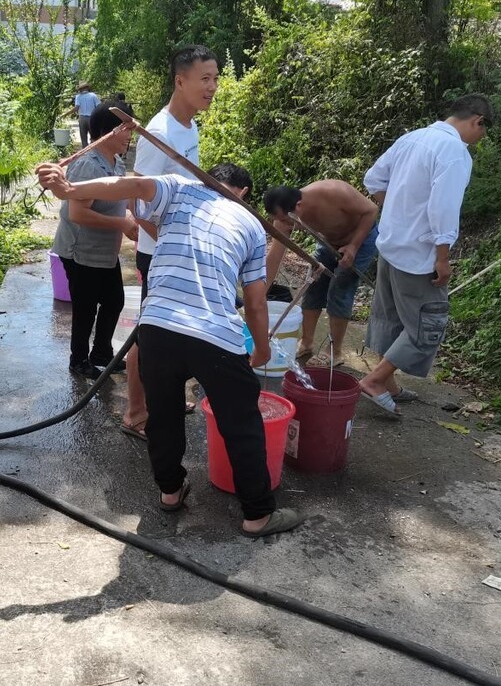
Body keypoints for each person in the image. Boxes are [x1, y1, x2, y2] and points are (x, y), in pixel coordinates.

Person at [37, 160, 302, 538]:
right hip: (216, 335)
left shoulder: (179, 188)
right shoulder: (251, 227)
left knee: (163, 416)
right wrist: (260, 349)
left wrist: (70, 191)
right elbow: (256, 303)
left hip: (158, 328)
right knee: (241, 424)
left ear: (206, 179)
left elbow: (132, 184)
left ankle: (170, 493)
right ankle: (258, 515)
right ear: (243, 193)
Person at [358, 94, 493, 414]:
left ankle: (387, 382)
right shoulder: (455, 152)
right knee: (427, 325)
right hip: (419, 255)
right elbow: (443, 208)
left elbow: (373, 179)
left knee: (390, 317)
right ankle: (375, 381)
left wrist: (397, 212)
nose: (480, 139)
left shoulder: (413, 138)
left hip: (390, 244)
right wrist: (442, 258)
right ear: (478, 121)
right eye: (483, 132)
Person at [123, 44, 220, 440]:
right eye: (205, 79)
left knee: (174, 329)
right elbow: (137, 200)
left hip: (179, 247)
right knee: (147, 335)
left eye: (215, 78)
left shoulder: (190, 124)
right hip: (158, 253)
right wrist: (168, 244)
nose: (212, 87)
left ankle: (168, 395)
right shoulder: (158, 133)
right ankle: (135, 411)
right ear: (180, 81)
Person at [51, 101, 139, 378]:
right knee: (86, 307)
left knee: (114, 300)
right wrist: (122, 224)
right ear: (105, 132)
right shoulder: (88, 166)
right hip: (81, 250)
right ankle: (78, 360)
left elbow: (118, 200)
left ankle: (101, 353)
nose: (130, 135)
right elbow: (77, 213)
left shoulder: (117, 163)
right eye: (125, 129)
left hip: (104, 252)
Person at [262, 181, 379, 367]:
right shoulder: (284, 217)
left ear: (298, 207)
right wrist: (258, 296)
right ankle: (306, 342)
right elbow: (274, 258)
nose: (284, 224)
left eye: (286, 220)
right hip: (327, 241)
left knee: (340, 288)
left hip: (360, 240)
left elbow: (371, 210)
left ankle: (334, 351)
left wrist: (354, 246)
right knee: (313, 284)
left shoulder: (334, 192)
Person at [71, 82, 101, 147]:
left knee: (84, 138)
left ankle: (85, 153)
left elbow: (76, 108)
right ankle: (94, 152)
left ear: (80, 89)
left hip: (82, 119)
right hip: (92, 118)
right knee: (94, 137)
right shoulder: (93, 95)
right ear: (87, 88)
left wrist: (67, 113)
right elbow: (99, 106)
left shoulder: (78, 96)